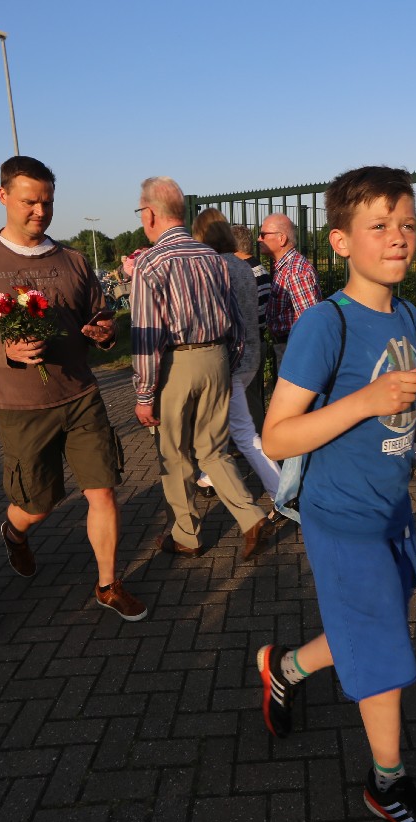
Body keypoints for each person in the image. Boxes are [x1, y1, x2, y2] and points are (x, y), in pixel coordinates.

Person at [257, 166, 416, 822]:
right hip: (342, 518)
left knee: (371, 620)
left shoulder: (406, 315)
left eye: (407, 224)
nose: (398, 238)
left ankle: (285, 667)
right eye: (379, 225)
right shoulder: (324, 324)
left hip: (392, 510)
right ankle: (387, 784)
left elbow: (402, 414)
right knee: (384, 644)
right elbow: (276, 435)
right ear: (340, 242)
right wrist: (361, 400)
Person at [0, 155, 146, 621]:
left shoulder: (72, 260)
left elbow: (100, 318)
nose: (41, 211)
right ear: (2, 196)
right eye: (29, 202)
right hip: (21, 405)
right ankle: (14, 531)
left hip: (81, 395)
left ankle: (108, 585)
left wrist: (104, 333)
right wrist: (4, 352)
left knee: (102, 490)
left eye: (48, 202)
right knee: (38, 504)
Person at [130, 177, 274, 559]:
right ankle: (251, 516)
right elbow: (237, 321)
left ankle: (187, 535)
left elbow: (146, 335)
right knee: (213, 450)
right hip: (217, 358)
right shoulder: (214, 258)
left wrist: (144, 394)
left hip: (176, 362)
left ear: (150, 213)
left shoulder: (151, 262)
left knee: (174, 454)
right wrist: (228, 361)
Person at [190, 209, 280, 503]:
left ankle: (274, 494)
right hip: (249, 355)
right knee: (231, 429)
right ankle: (211, 477)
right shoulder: (243, 267)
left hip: (225, 360)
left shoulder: (213, 267)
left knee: (234, 432)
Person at [259, 213, 320, 367]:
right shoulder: (285, 267)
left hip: (294, 349)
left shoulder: (295, 271)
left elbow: (309, 324)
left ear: (282, 239)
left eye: (263, 234)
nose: (259, 239)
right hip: (288, 346)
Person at [232, 224, 272, 434]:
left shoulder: (243, 273)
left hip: (245, 344)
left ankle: (255, 440)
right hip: (259, 338)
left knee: (247, 398)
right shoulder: (260, 269)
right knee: (253, 394)